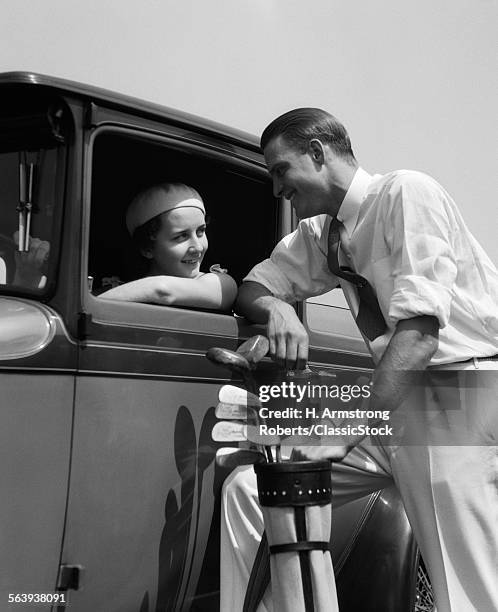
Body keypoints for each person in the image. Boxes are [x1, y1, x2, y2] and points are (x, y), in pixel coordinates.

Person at [222, 108, 498, 612]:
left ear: (318, 153)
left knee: (465, 589)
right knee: (260, 487)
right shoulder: (321, 234)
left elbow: (419, 335)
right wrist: (278, 306)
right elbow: (253, 287)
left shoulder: (405, 194)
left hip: (459, 392)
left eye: (281, 170)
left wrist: (349, 424)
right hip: (397, 405)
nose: (277, 189)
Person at [99, 182, 237, 311]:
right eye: (181, 236)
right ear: (147, 248)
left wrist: (95, 303)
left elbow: (161, 291)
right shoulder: (119, 290)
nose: (198, 248)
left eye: (201, 231)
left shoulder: (221, 284)